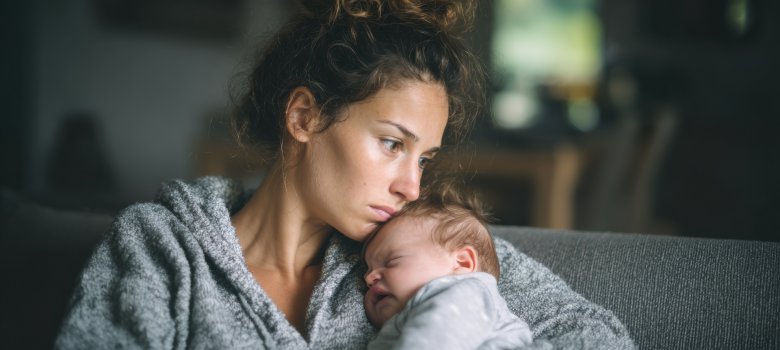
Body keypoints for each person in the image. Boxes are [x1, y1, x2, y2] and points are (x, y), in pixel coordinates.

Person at [55, 0, 635, 349]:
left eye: (424, 158)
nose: (412, 186)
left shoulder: (415, 250)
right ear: (305, 117)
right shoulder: (163, 248)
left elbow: (598, 335)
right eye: (391, 144)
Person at [362, 183, 533, 349]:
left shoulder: (466, 294)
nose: (369, 278)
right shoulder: (409, 313)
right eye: (368, 268)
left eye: (392, 261)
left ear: (462, 263)